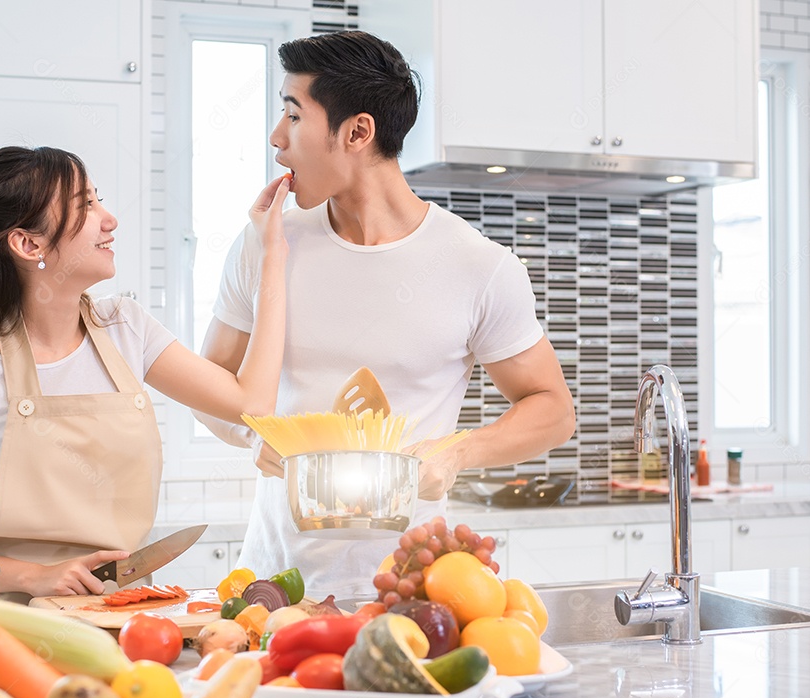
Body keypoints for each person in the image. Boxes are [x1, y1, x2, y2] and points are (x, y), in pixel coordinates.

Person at [194, 31, 576, 600]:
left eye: (293, 116)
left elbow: (553, 410)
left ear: (357, 132)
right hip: (273, 585)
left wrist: (460, 451)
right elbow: (212, 388)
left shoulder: (478, 265)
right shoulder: (266, 245)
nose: (277, 138)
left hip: (410, 588)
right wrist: (252, 438)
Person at [0, 146, 290, 598]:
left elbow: (251, 404)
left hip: (125, 611)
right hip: (18, 623)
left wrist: (269, 253)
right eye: (86, 206)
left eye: (98, 199)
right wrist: (33, 576)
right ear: (28, 243)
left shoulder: (127, 328)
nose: (109, 218)